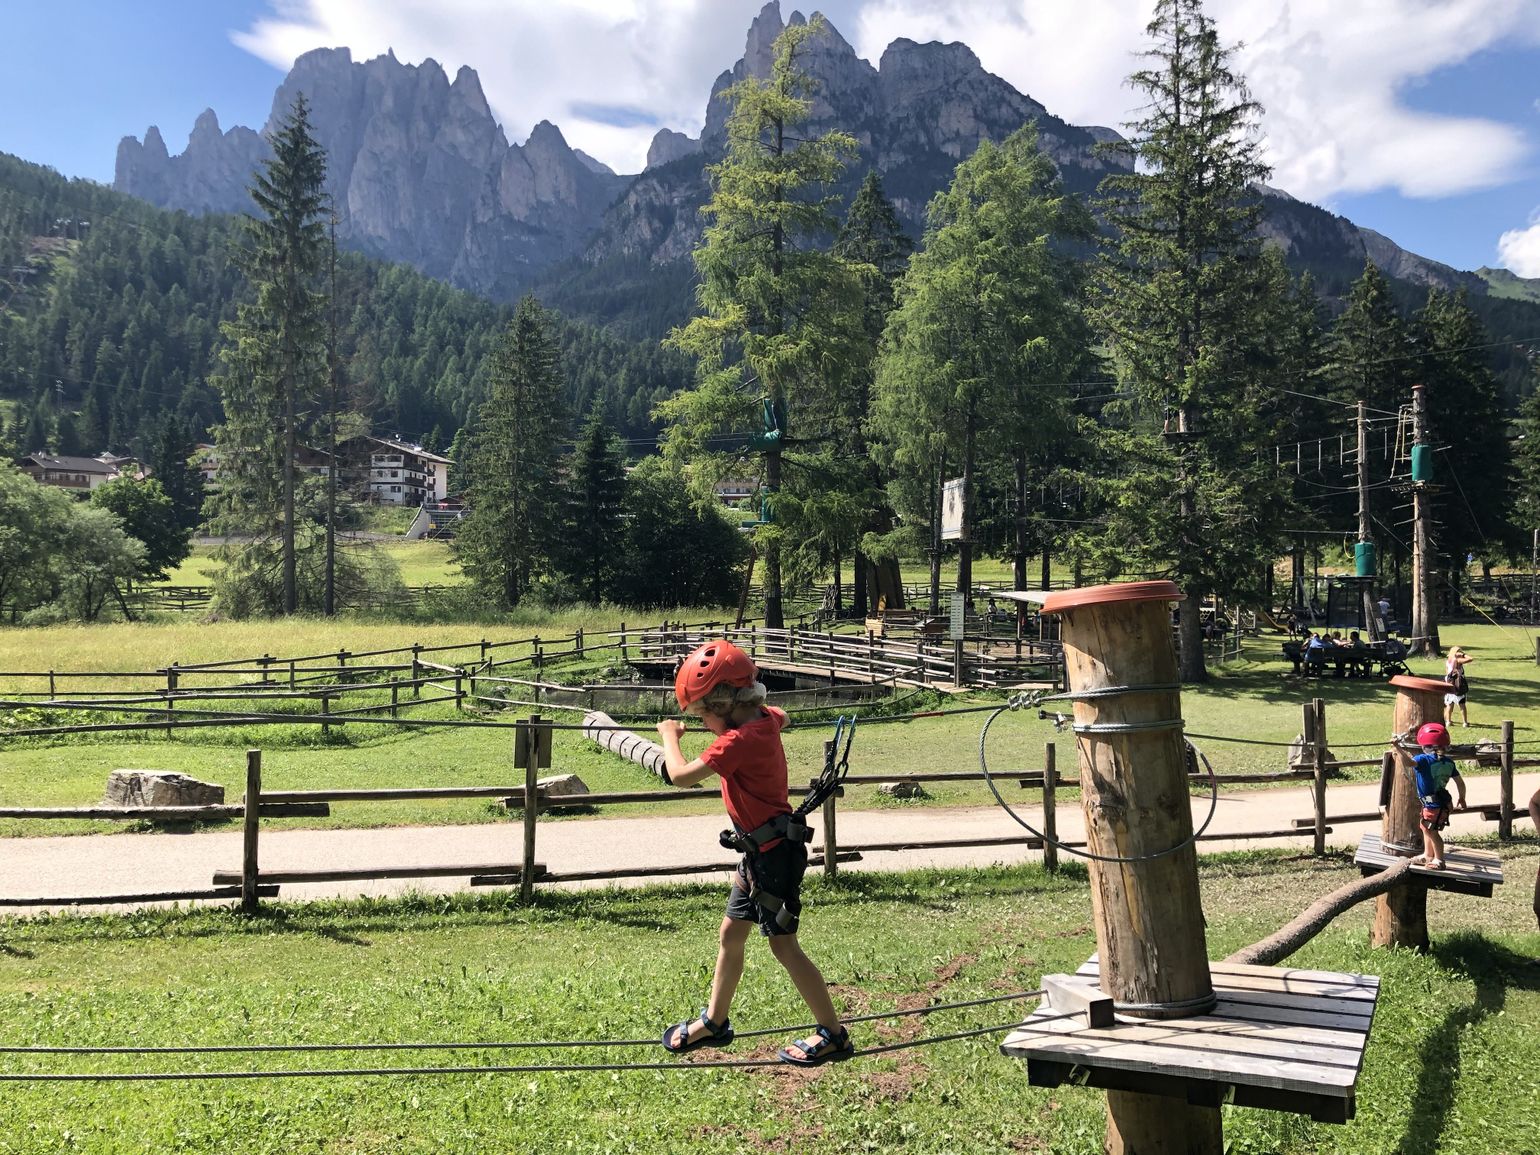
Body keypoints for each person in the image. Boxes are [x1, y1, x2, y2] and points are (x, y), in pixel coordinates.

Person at [655, 639, 853, 1066]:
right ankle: (715, 1021)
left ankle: (833, 1035)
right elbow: (780, 714)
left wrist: (670, 736)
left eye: (703, 714)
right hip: (760, 852)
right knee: (731, 934)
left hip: (774, 857)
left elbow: (680, 775)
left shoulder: (737, 741)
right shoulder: (764, 719)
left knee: (784, 947)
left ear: (725, 704)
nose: (703, 724)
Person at [1411, 721, 1467, 870]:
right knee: (1425, 827)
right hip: (1442, 802)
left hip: (1433, 804)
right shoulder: (1449, 762)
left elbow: (1407, 762)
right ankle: (1427, 855)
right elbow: (1460, 782)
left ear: (1425, 746)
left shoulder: (1422, 760)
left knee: (1431, 830)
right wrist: (1462, 797)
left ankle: (1439, 860)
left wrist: (1397, 747)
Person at [1444, 645, 1474, 727]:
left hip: (1449, 683)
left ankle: (1448, 721)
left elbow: (1447, 673)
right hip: (1458, 684)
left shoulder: (1448, 661)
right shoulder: (1458, 660)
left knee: (1449, 704)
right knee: (1462, 704)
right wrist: (1464, 655)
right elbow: (1470, 659)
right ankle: (1465, 722)